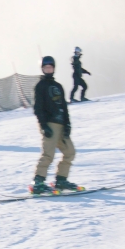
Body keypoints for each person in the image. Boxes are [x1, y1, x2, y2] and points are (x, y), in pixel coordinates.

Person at [32, 56, 79, 194]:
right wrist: (43, 125)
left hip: (61, 124)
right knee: (48, 154)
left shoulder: (58, 86)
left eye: (50, 67)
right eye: (46, 68)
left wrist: (68, 125)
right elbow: (38, 108)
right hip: (49, 124)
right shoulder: (40, 86)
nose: (48, 70)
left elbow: (64, 107)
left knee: (70, 152)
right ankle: (38, 182)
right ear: (42, 69)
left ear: (53, 68)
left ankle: (61, 180)